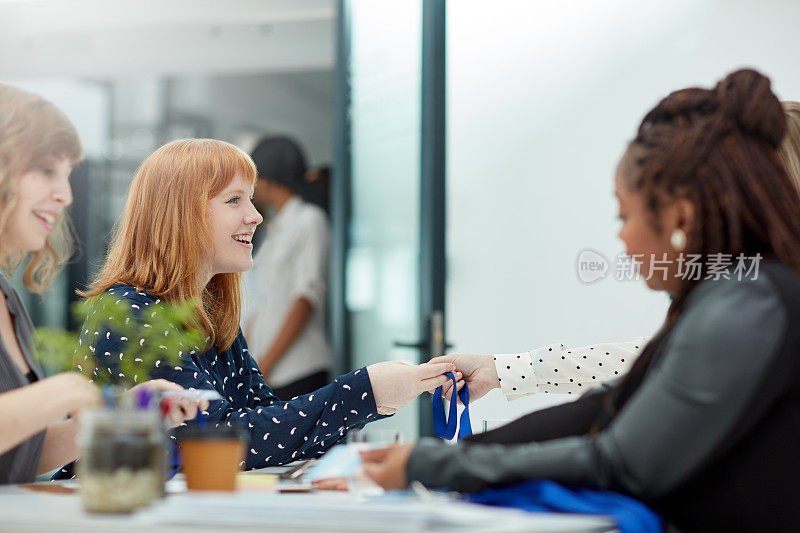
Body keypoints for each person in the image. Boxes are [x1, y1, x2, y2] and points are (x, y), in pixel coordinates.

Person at [362, 69, 800, 531]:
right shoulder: (736, 293)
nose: (621, 239)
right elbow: (612, 399)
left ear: (681, 216)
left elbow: (620, 460)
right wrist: (449, 453)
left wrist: (434, 466)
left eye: (624, 214)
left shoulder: (750, 302)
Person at [78, 138, 460, 470]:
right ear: (181, 215)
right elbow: (223, 441)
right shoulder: (131, 312)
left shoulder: (211, 318)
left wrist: (379, 401)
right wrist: (365, 392)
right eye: (234, 200)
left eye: (251, 198)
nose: (256, 215)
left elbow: (263, 419)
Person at [0, 84, 204, 485]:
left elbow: (25, 451)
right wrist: (63, 392)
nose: (65, 194)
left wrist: (123, 415)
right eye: (46, 170)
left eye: (67, 174)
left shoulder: (9, 300)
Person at [243, 136, 331, 399]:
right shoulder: (275, 227)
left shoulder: (310, 220)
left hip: (297, 371)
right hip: (268, 371)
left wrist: (265, 365)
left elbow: (306, 298)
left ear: (268, 179)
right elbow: (263, 302)